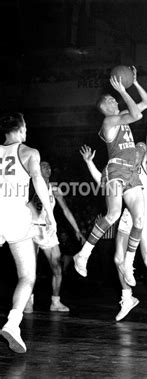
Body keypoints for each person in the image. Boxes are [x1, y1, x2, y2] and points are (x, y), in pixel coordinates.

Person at [80, 84, 147, 325]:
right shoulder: (125, 163)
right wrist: (90, 164)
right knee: (118, 260)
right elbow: (103, 181)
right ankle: (127, 297)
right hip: (127, 215)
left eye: (142, 148)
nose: (139, 147)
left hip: (145, 215)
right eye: (137, 146)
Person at [74, 66, 147, 287]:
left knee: (139, 219)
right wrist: (123, 90)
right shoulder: (109, 122)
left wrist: (134, 82)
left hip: (130, 172)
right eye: (109, 100)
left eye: (113, 98)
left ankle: (128, 263)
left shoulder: (123, 118)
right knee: (114, 213)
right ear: (103, 108)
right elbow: (137, 114)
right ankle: (84, 253)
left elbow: (145, 104)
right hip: (115, 170)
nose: (113, 100)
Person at [0, 112, 57, 353]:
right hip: (15, 215)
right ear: (21, 128)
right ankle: (13, 324)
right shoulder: (28, 152)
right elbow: (37, 180)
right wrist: (50, 215)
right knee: (27, 277)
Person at [25, 161, 86, 313]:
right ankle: (27, 301)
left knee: (57, 268)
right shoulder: (29, 186)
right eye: (44, 166)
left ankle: (55, 302)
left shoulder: (55, 189)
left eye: (49, 166)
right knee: (30, 269)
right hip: (33, 229)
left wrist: (77, 230)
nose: (48, 168)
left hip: (49, 231)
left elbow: (65, 210)